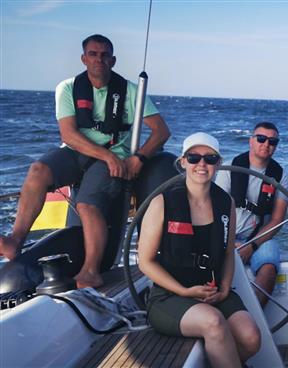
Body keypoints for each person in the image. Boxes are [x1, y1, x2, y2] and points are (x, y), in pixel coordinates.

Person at [0, 34, 170, 288]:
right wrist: (106, 156)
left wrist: (138, 158)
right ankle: (16, 240)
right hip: (79, 152)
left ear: (113, 60)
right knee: (37, 171)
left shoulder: (131, 92)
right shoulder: (67, 88)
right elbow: (68, 134)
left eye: (104, 55)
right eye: (93, 54)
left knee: (87, 205)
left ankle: (91, 270)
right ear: (83, 58)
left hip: (115, 155)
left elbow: (161, 131)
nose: (98, 59)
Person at [138, 133, 261, 367]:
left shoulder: (226, 203)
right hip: (170, 296)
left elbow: (226, 254)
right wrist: (184, 292)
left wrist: (224, 289)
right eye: (194, 158)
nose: (201, 164)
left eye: (210, 158)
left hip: (213, 292)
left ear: (218, 163)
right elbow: (145, 262)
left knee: (251, 337)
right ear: (183, 162)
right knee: (213, 323)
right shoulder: (162, 203)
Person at [215, 122, 288, 306]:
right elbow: (215, 212)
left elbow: (277, 220)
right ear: (251, 141)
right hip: (226, 234)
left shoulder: (280, 176)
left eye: (272, 141)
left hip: (259, 238)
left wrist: (251, 246)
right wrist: (231, 242)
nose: (266, 144)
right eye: (261, 139)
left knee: (269, 269)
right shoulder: (229, 169)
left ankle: (252, 318)